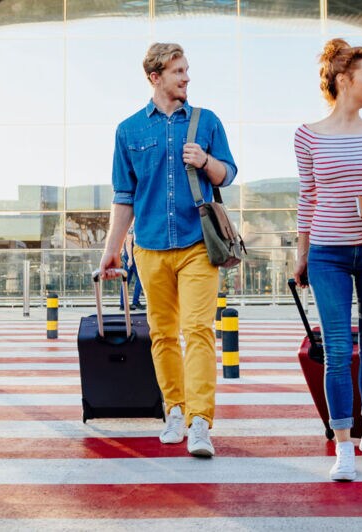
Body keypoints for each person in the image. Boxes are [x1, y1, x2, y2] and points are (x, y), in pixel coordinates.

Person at [98, 42, 238, 458]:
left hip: (199, 243)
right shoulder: (129, 130)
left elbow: (228, 173)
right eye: (178, 71)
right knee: (161, 335)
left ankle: (200, 422)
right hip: (150, 247)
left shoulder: (207, 121)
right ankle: (174, 411)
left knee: (197, 330)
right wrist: (111, 250)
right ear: (155, 77)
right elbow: (124, 196)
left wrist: (205, 161)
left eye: (187, 70)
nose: (186, 78)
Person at [293, 38, 362, 481]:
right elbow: (308, 198)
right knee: (338, 351)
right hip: (328, 256)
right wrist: (300, 256)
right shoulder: (307, 135)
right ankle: (343, 445)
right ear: (344, 80)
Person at [119, 228, 145, 311]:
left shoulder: (131, 227)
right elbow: (128, 243)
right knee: (140, 278)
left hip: (130, 257)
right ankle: (135, 302)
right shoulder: (131, 227)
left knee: (126, 281)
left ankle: (123, 304)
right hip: (131, 257)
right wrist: (130, 258)